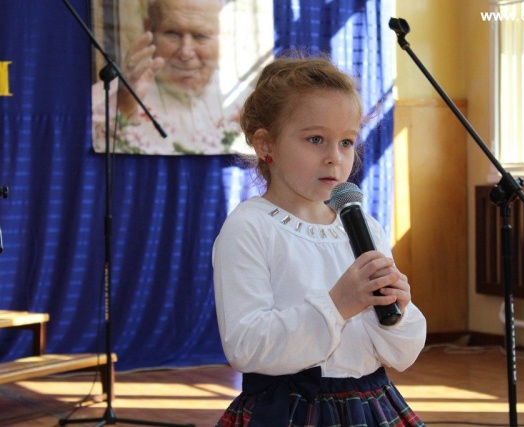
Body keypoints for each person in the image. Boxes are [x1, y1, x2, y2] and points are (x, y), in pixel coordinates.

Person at [212, 56, 427, 426]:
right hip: (290, 409)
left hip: (371, 404)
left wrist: (398, 312)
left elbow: (400, 355)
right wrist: (337, 305)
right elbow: (246, 346)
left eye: (346, 142)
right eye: (315, 139)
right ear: (266, 144)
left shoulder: (365, 227)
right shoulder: (250, 227)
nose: (334, 158)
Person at [92, 0, 245, 155]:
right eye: (173, 33)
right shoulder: (102, 98)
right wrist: (125, 108)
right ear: (149, 29)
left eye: (200, 36)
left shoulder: (243, 99)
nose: (185, 53)